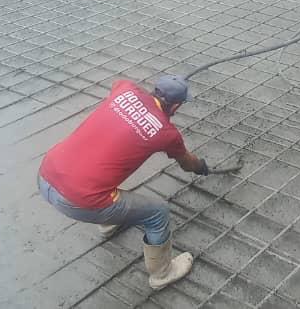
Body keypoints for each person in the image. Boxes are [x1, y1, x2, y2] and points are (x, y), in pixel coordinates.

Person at [37, 75, 209, 290]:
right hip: (81, 202)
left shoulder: (126, 89)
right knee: (158, 213)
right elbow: (187, 163)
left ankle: (109, 222)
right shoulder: (167, 133)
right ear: (175, 106)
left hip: (45, 175)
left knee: (102, 176)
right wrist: (201, 167)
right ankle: (162, 274)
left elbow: (118, 82)